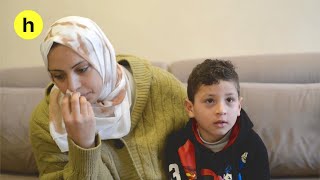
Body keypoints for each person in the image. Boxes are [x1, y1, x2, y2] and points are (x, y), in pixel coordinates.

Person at [29, 16, 188, 179]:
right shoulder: (45, 121)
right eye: (59, 76)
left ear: (102, 59)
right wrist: (84, 146)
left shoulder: (162, 88)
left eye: (82, 69)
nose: (72, 87)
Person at [164, 59, 270, 179]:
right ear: (190, 108)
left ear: (239, 106)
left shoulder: (253, 146)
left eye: (229, 100)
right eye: (210, 101)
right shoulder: (176, 145)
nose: (221, 110)